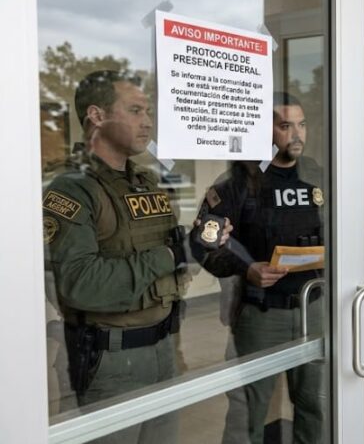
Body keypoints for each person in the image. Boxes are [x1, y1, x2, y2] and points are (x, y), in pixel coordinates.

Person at [43, 70, 228, 444]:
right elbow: (78, 284)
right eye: (135, 110)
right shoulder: (72, 189)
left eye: (148, 112)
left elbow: (172, 261)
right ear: (96, 116)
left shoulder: (146, 182)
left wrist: (199, 243)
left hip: (164, 346)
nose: (147, 122)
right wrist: (173, 252)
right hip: (109, 357)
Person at [192, 92, 326, 444]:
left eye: (301, 124)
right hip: (263, 313)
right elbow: (203, 243)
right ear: (265, 131)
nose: (296, 134)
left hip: (314, 307)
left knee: (316, 404)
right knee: (248, 409)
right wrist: (247, 268)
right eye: (285, 126)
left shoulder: (316, 174)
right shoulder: (239, 181)